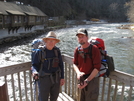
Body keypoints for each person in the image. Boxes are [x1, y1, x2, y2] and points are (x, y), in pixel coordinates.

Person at [31, 31, 65, 101]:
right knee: (43, 99)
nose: (51, 42)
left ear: (55, 42)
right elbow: (34, 65)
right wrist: (34, 72)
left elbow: (61, 64)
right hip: (44, 80)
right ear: (46, 41)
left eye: (53, 41)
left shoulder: (57, 51)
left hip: (56, 79)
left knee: (54, 97)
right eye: (49, 40)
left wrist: (62, 77)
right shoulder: (40, 52)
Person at [73, 28, 101, 101]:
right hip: (81, 78)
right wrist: (78, 73)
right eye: (79, 37)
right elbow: (74, 64)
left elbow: (97, 68)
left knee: (91, 98)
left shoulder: (94, 49)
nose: (80, 39)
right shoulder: (77, 49)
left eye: (82, 36)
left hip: (92, 79)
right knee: (80, 98)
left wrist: (87, 81)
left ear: (87, 37)